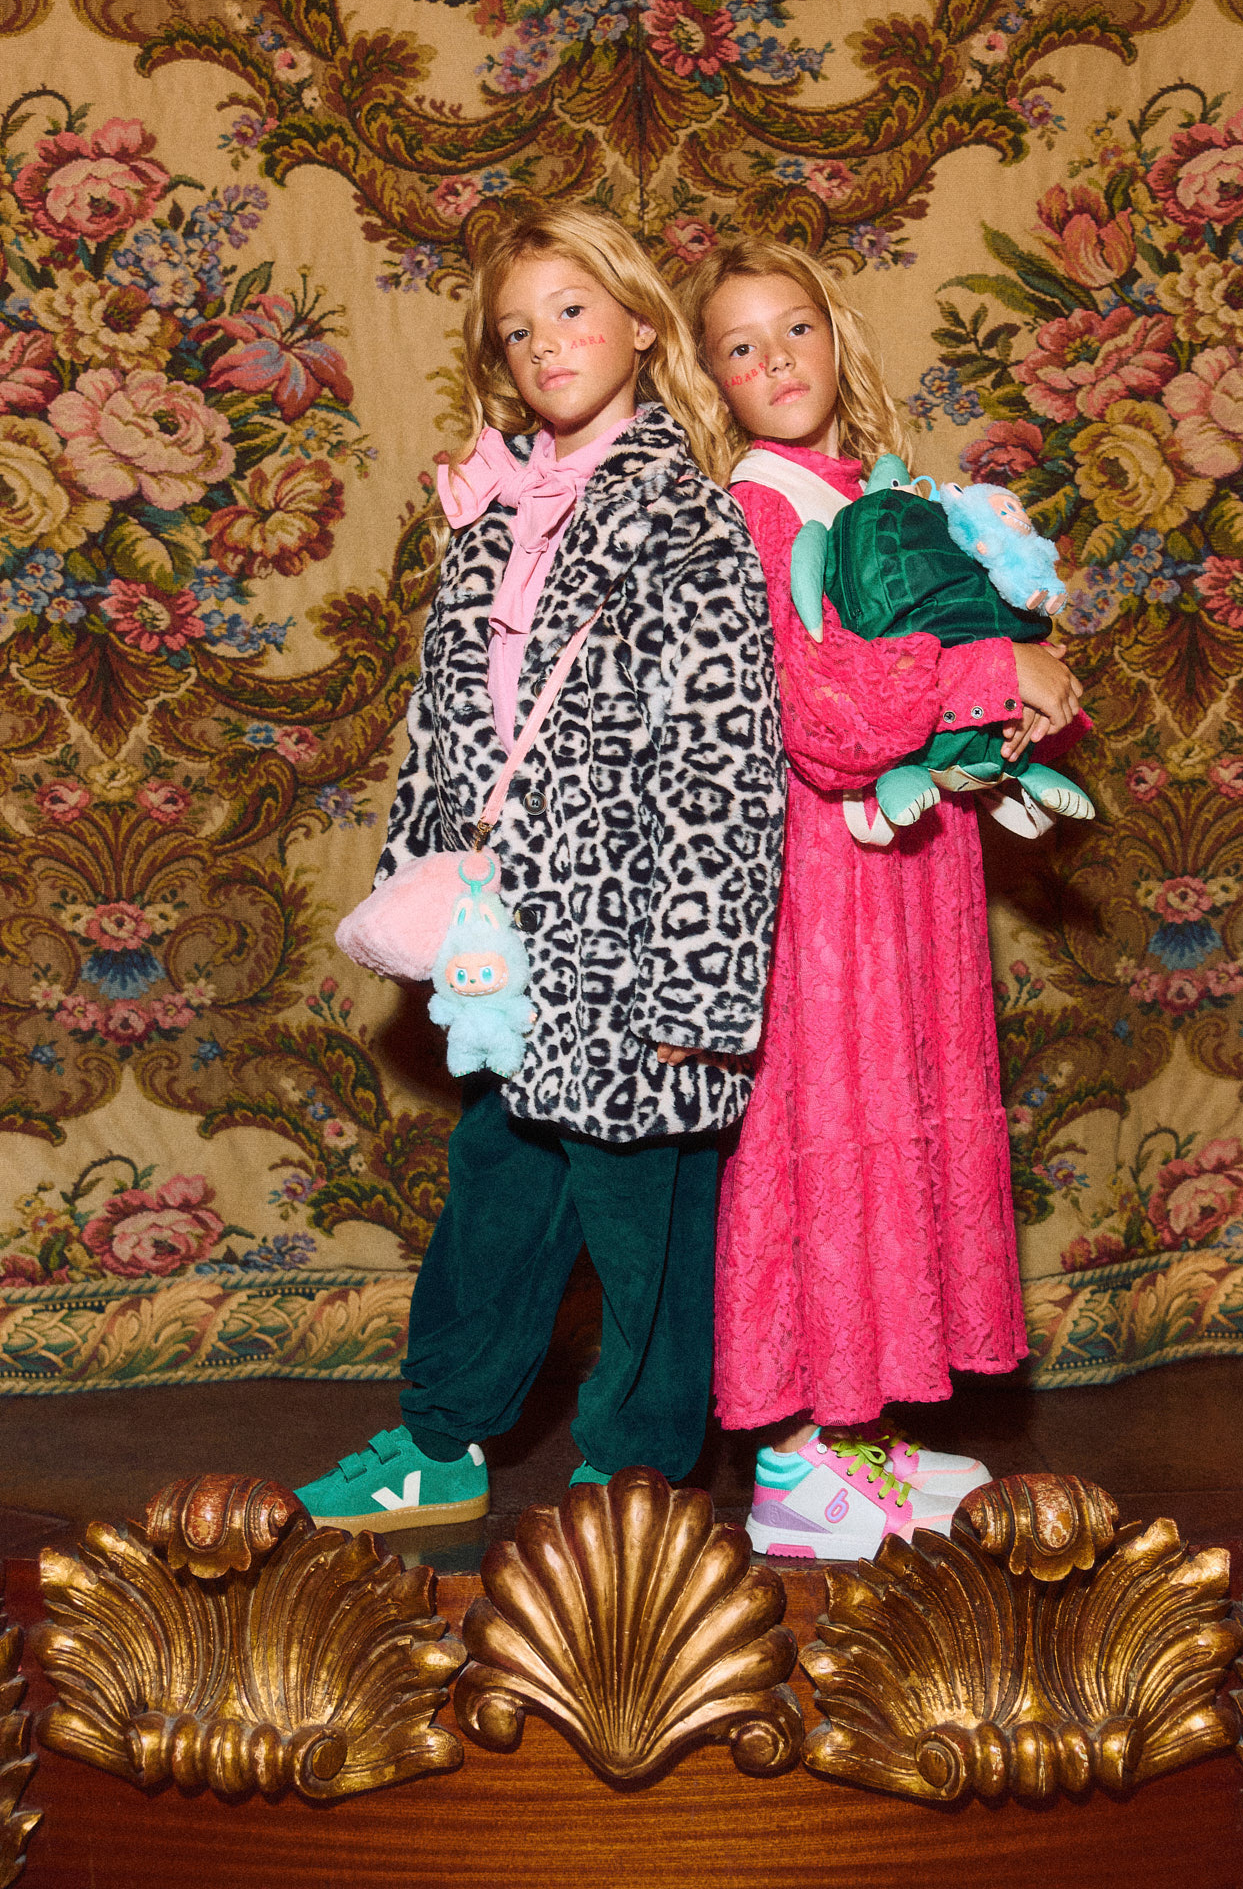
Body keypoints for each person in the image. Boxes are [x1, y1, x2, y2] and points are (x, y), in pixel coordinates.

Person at [297, 205, 786, 1532]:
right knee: (495, 1201)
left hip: (638, 954)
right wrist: (420, 901)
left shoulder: (687, 519)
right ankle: (439, 1441)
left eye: (572, 311)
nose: (546, 344)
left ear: (641, 325)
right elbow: (442, 738)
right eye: (518, 330)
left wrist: (700, 993)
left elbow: (724, 767)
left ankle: (631, 1479)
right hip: (506, 954)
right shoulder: (488, 515)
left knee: (644, 1231)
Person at [682, 237, 1084, 1564]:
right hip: (823, 889)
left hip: (904, 879)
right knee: (825, 1142)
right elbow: (828, 716)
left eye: (793, 328)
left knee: (889, 1132)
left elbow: (943, 633)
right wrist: (989, 675)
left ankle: (851, 1425)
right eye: (741, 346)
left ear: (835, 334)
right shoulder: (757, 512)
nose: (776, 360)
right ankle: (791, 1470)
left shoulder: (870, 488)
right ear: (712, 379)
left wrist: (1021, 677)